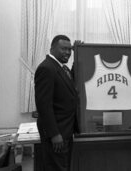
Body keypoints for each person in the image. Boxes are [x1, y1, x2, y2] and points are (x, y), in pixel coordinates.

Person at [34, 35, 79, 171]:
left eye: (69, 49)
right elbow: (43, 105)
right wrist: (54, 134)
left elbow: (69, 82)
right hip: (57, 133)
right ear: (52, 49)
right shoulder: (46, 68)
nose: (67, 52)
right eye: (63, 49)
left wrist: (79, 54)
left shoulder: (59, 68)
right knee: (57, 168)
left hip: (65, 130)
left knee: (62, 166)